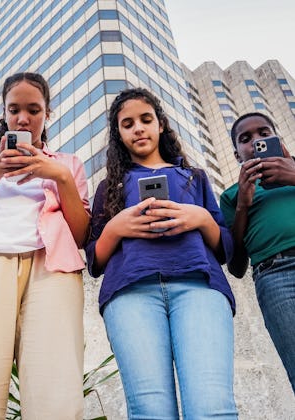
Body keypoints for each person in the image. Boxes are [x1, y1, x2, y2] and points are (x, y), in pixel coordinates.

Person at [85, 88, 238, 419]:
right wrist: (116, 228)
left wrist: (199, 218)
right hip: (130, 294)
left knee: (211, 407)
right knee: (149, 410)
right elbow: (94, 260)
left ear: (160, 125)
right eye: (127, 124)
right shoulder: (108, 186)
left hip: (200, 288)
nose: (138, 128)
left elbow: (225, 247)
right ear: (118, 135)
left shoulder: (195, 177)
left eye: (145, 119)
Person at [0, 72, 91, 419]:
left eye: (33, 109)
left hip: (52, 268)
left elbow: (81, 234)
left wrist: (56, 174)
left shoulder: (68, 164)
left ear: (47, 114)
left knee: (54, 386)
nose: (23, 118)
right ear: (4, 113)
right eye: (14, 109)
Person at [220, 112, 295, 393]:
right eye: (246, 139)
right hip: (275, 278)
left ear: (279, 139)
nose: (257, 142)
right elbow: (237, 266)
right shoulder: (231, 196)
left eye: (265, 133)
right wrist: (243, 204)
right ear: (238, 155)